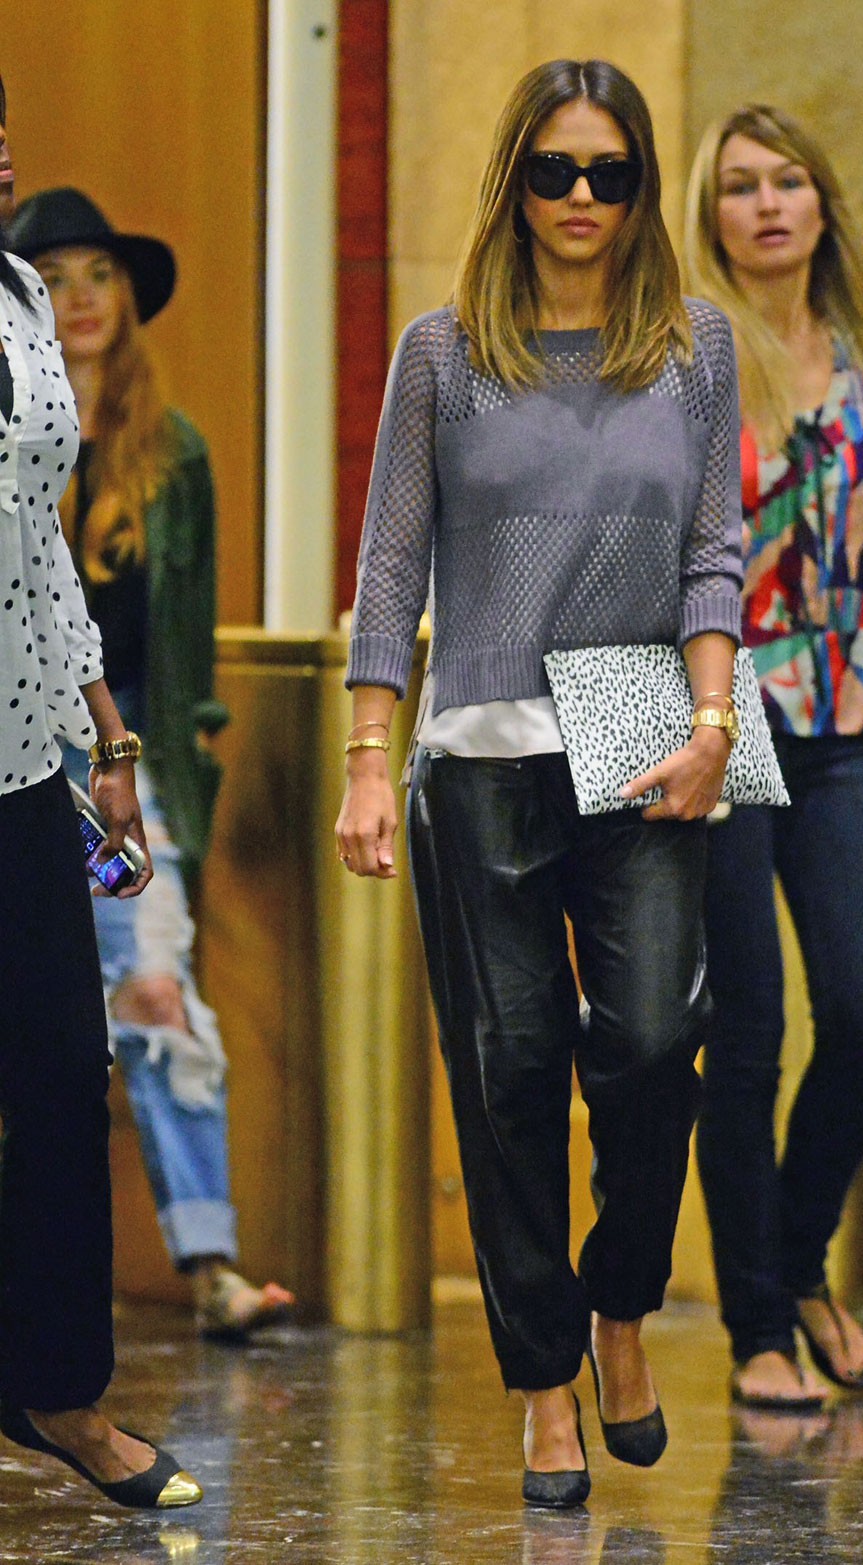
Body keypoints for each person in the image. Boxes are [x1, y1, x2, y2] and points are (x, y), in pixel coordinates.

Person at [336, 58, 741, 1507]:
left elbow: (713, 548)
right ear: (513, 179)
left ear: (640, 190)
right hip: (485, 739)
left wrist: (711, 719)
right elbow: (389, 564)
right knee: (506, 1071)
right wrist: (371, 758)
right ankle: (542, 1380)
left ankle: (623, 1307)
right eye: (556, 171)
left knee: (645, 1042)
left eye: (611, 174)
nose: (582, 198)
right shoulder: (444, 352)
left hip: (645, 720)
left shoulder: (693, 342)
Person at [7, 185, 293, 1342]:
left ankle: (210, 1259)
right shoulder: (18, 407)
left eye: (99, 274)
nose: (79, 297)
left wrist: (167, 774)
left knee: (160, 996)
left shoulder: (171, 452)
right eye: (57, 274)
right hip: (15, 744)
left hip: (123, 751)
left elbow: (182, 648)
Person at [682, 106, 863, 1412]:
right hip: (726, 719)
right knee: (750, 1033)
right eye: (739, 187)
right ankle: (757, 1329)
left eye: (788, 182)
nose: (768, 204)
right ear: (709, 214)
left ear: (822, 204)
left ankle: (799, 1254)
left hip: (848, 717)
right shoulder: (688, 351)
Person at [0, 69, 200, 1509]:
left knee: (68, 1071)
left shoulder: (18, 296)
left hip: (20, 757)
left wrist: (108, 740)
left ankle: (59, 1388)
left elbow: (39, 541)